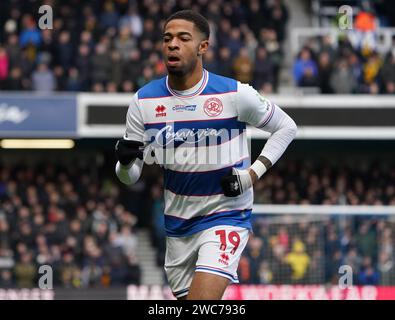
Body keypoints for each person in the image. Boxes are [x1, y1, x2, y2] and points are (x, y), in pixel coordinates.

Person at [115, 10, 297, 300]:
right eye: (167, 39)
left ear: (203, 47)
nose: (173, 44)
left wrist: (251, 175)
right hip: (177, 225)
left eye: (183, 38)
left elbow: (286, 127)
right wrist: (124, 162)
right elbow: (129, 176)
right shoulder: (143, 102)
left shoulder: (235, 94)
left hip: (225, 216)